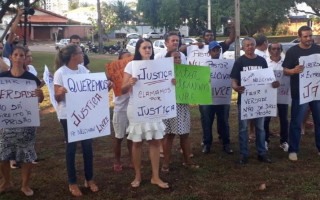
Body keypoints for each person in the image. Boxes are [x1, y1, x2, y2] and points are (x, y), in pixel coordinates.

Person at [121, 38, 169, 189]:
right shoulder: (131, 65)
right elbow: (122, 89)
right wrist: (130, 83)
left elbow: (165, 84)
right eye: (144, 47)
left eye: (149, 47)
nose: (148, 50)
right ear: (138, 49)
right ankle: (138, 176)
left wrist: (171, 82)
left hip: (154, 107)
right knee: (137, 142)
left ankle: (155, 176)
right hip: (137, 107)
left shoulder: (158, 65)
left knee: (155, 141)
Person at [54, 44, 99, 197]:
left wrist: (107, 86)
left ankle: (89, 179)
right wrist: (59, 92)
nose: (83, 55)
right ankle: (72, 182)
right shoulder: (61, 73)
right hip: (67, 115)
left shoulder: (83, 70)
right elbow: (57, 98)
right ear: (73, 56)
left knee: (88, 146)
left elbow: (92, 88)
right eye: (81, 53)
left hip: (84, 113)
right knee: (71, 148)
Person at [0, 46, 44, 196]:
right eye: (16, 55)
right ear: (11, 57)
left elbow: (39, 100)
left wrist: (40, 95)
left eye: (21, 55)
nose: (18, 58)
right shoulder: (2, 78)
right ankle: (6, 181)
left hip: (27, 123)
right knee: (2, 156)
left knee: (27, 156)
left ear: (25, 59)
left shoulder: (31, 79)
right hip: (7, 122)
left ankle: (25, 185)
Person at [231, 37, 277, 164]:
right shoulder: (239, 62)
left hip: (260, 101)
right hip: (245, 100)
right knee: (243, 128)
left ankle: (262, 153)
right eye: (247, 45)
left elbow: (268, 79)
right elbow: (234, 79)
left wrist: (274, 84)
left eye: (252, 45)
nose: (250, 47)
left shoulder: (262, 61)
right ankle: (244, 153)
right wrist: (235, 87)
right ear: (243, 47)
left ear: (255, 46)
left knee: (260, 128)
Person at [283, 26, 320, 161]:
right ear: (299, 37)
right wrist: (294, 71)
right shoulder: (293, 51)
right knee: (296, 122)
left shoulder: (318, 49)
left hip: (316, 92)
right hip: (300, 92)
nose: (308, 39)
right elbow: (285, 70)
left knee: (319, 120)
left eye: (310, 36)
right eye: (305, 36)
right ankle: (293, 150)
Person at [161, 50, 199, 172]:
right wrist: (169, 83)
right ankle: (165, 163)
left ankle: (187, 161)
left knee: (185, 134)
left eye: (179, 57)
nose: (178, 60)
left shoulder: (185, 71)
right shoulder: (163, 73)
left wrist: (201, 78)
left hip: (182, 106)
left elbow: (196, 85)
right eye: (175, 58)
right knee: (169, 135)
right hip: (168, 106)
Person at [200, 41, 233, 154]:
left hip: (222, 97)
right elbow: (198, 80)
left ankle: (226, 143)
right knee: (206, 122)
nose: (216, 52)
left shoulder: (227, 65)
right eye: (214, 50)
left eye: (218, 50)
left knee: (223, 121)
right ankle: (207, 143)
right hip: (206, 98)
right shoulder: (203, 64)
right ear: (209, 52)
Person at [264, 42, 289, 152]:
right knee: (266, 118)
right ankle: (265, 140)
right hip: (268, 95)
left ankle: (284, 141)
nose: (276, 51)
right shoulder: (265, 62)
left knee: (283, 118)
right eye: (274, 49)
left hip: (283, 95)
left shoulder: (286, 62)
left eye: (278, 48)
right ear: (269, 50)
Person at [112, 51, 133, 172]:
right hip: (120, 109)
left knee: (131, 137)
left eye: (131, 58)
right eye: (125, 60)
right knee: (119, 137)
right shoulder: (114, 75)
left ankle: (132, 159)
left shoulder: (136, 71)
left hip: (132, 108)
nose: (128, 61)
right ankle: (117, 160)